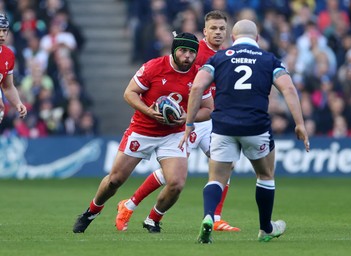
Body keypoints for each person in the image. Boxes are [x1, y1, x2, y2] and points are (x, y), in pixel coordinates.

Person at [180, 19, 310, 243]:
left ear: (233, 39)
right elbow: (288, 88)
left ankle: (209, 217)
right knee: (265, 175)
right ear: (257, 39)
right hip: (255, 126)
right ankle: (265, 228)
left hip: (223, 126)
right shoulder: (269, 59)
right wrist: (299, 123)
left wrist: (189, 123)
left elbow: (198, 86)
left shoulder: (219, 58)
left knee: (217, 178)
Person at [72, 32, 213, 233]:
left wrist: (187, 118)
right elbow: (129, 93)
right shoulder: (154, 67)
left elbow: (209, 109)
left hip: (173, 134)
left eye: (192, 52)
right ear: (174, 50)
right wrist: (150, 112)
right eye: (183, 51)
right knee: (115, 180)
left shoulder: (199, 75)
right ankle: (91, 212)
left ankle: (153, 219)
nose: (187, 56)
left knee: (176, 184)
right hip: (142, 130)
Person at [115, 10, 240, 232]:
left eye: (222, 28)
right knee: (171, 175)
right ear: (204, 31)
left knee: (225, 162)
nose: (218, 32)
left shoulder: (225, 55)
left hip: (207, 118)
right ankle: (129, 205)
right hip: (185, 121)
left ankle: (215, 217)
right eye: (214, 28)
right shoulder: (194, 53)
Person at [0, 13, 27, 124]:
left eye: (4, 30)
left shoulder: (8, 55)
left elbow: (7, 87)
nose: (1, 34)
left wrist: (18, 103)